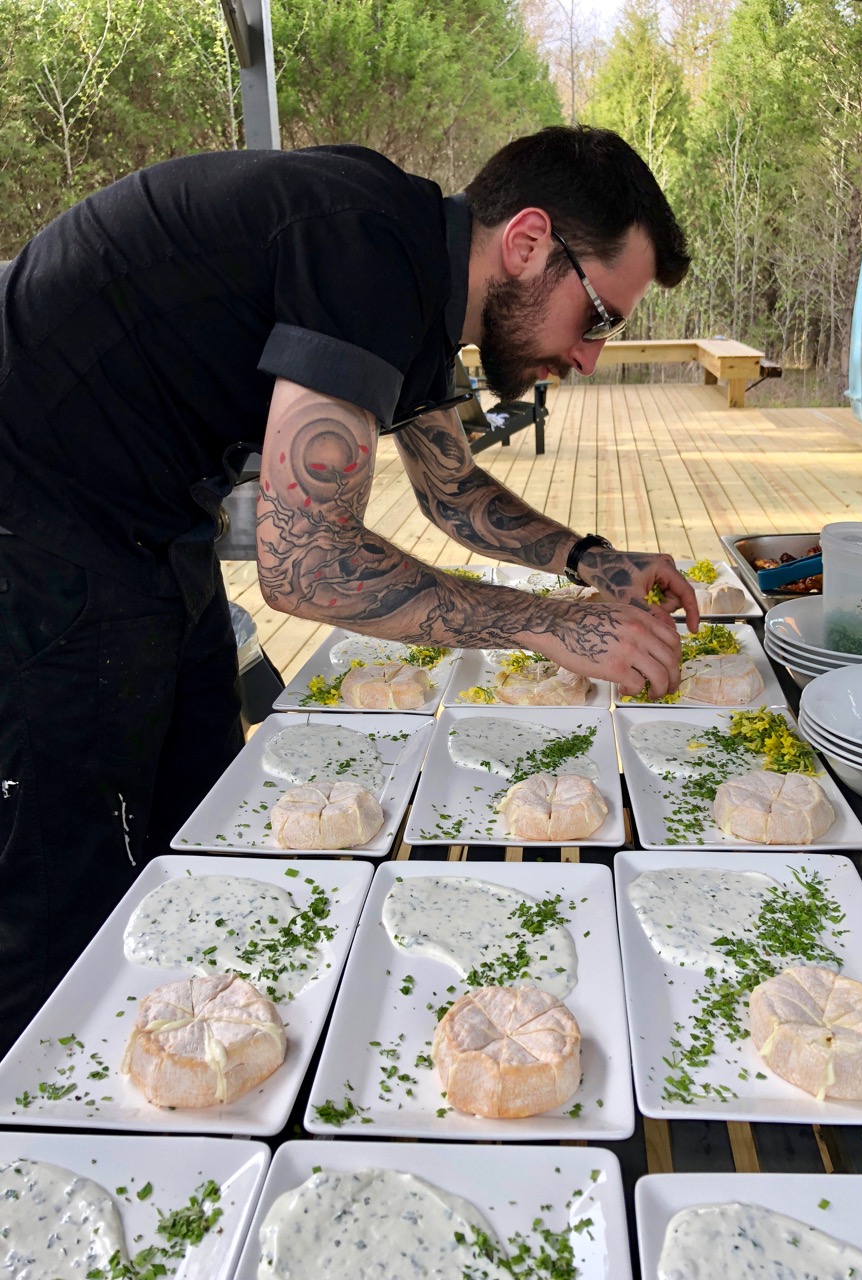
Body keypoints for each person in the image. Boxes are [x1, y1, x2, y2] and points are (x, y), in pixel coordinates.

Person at [0, 124, 696, 1057]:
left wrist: (592, 561)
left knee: (204, 826)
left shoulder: (412, 263)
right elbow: (308, 566)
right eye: (599, 317)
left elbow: (451, 490)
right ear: (530, 243)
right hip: (35, 530)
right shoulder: (366, 251)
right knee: (63, 897)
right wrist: (548, 625)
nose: (590, 357)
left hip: (149, 524)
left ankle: (199, 1059)